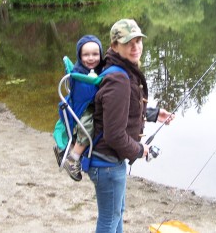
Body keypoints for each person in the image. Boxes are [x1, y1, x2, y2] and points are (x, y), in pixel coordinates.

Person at [88, 19, 174, 233]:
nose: (135, 47)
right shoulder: (119, 79)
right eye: (129, 42)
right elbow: (115, 134)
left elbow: (123, 110)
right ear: (115, 45)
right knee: (109, 220)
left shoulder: (120, 70)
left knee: (117, 214)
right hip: (107, 163)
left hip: (110, 162)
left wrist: (154, 114)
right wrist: (139, 149)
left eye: (138, 41)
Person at [57, 35, 104, 182]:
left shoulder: (100, 68)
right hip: (82, 108)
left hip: (88, 104)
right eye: (86, 55)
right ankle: (73, 158)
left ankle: (63, 151)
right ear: (79, 55)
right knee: (88, 127)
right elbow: (87, 89)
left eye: (95, 54)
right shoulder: (79, 72)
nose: (91, 58)